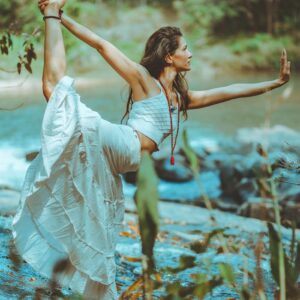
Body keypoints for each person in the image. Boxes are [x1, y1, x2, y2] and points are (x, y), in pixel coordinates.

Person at [12, 0, 291, 299]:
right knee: (55, 92)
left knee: (99, 229)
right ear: (169, 56)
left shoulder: (180, 98)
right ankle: (51, 13)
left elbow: (228, 91)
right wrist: (62, 19)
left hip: (115, 161)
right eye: (185, 48)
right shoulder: (145, 81)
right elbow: (102, 45)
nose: (190, 53)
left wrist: (274, 83)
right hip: (120, 142)